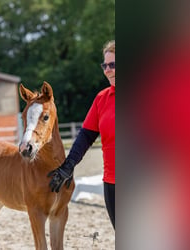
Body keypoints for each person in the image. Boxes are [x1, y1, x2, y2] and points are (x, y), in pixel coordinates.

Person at [48, 40, 115, 229]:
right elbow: (85, 136)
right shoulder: (102, 99)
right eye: (105, 65)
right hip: (111, 182)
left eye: (113, 64)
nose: (107, 70)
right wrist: (68, 166)